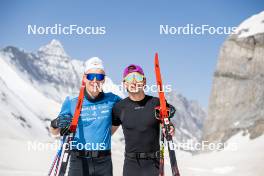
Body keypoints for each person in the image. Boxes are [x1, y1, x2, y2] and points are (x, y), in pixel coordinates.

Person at [50, 57, 121, 176]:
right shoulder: (72, 101)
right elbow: (54, 132)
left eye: (99, 77)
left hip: (103, 162)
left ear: (104, 80)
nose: (94, 80)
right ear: (84, 78)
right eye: (90, 76)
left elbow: (131, 109)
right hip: (78, 160)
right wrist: (55, 123)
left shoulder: (113, 100)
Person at [112, 64, 175, 176]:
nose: (134, 81)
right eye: (130, 78)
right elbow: (108, 133)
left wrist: (170, 127)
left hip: (154, 165)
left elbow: (167, 121)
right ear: (124, 83)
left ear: (144, 81)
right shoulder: (119, 107)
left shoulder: (156, 103)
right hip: (130, 166)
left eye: (138, 77)